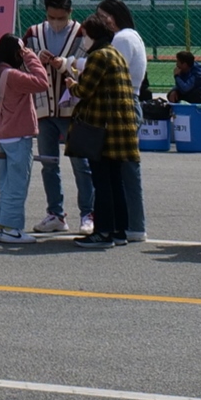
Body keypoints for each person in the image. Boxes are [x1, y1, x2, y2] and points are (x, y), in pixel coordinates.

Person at [70, 16, 140, 245]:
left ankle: (103, 231)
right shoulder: (115, 54)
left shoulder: (98, 56)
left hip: (102, 129)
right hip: (120, 128)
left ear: (93, 35)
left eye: (85, 35)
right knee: (115, 181)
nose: (84, 40)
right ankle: (119, 231)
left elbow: (84, 90)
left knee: (102, 182)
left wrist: (72, 84)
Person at [27, 0, 88, 235]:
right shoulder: (34, 33)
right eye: (51, 17)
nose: (56, 22)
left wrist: (64, 65)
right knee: (48, 164)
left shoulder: (82, 34)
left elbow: (87, 68)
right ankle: (55, 213)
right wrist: (36, 60)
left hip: (73, 108)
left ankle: (88, 213)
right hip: (43, 108)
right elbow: (21, 63)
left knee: (81, 164)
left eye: (61, 18)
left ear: (69, 13)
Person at [96, 0, 153, 239]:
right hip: (130, 101)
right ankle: (131, 224)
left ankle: (133, 225)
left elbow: (108, 70)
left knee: (126, 170)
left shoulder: (122, 39)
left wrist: (73, 66)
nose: (103, 22)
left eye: (105, 16)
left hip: (123, 103)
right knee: (126, 168)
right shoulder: (132, 36)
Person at [0, 34, 46, 242]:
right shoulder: (12, 75)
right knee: (17, 186)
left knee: (7, 186)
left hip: (4, 134)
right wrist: (31, 56)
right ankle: (11, 229)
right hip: (18, 135)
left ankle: (4, 224)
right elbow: (42, 82)